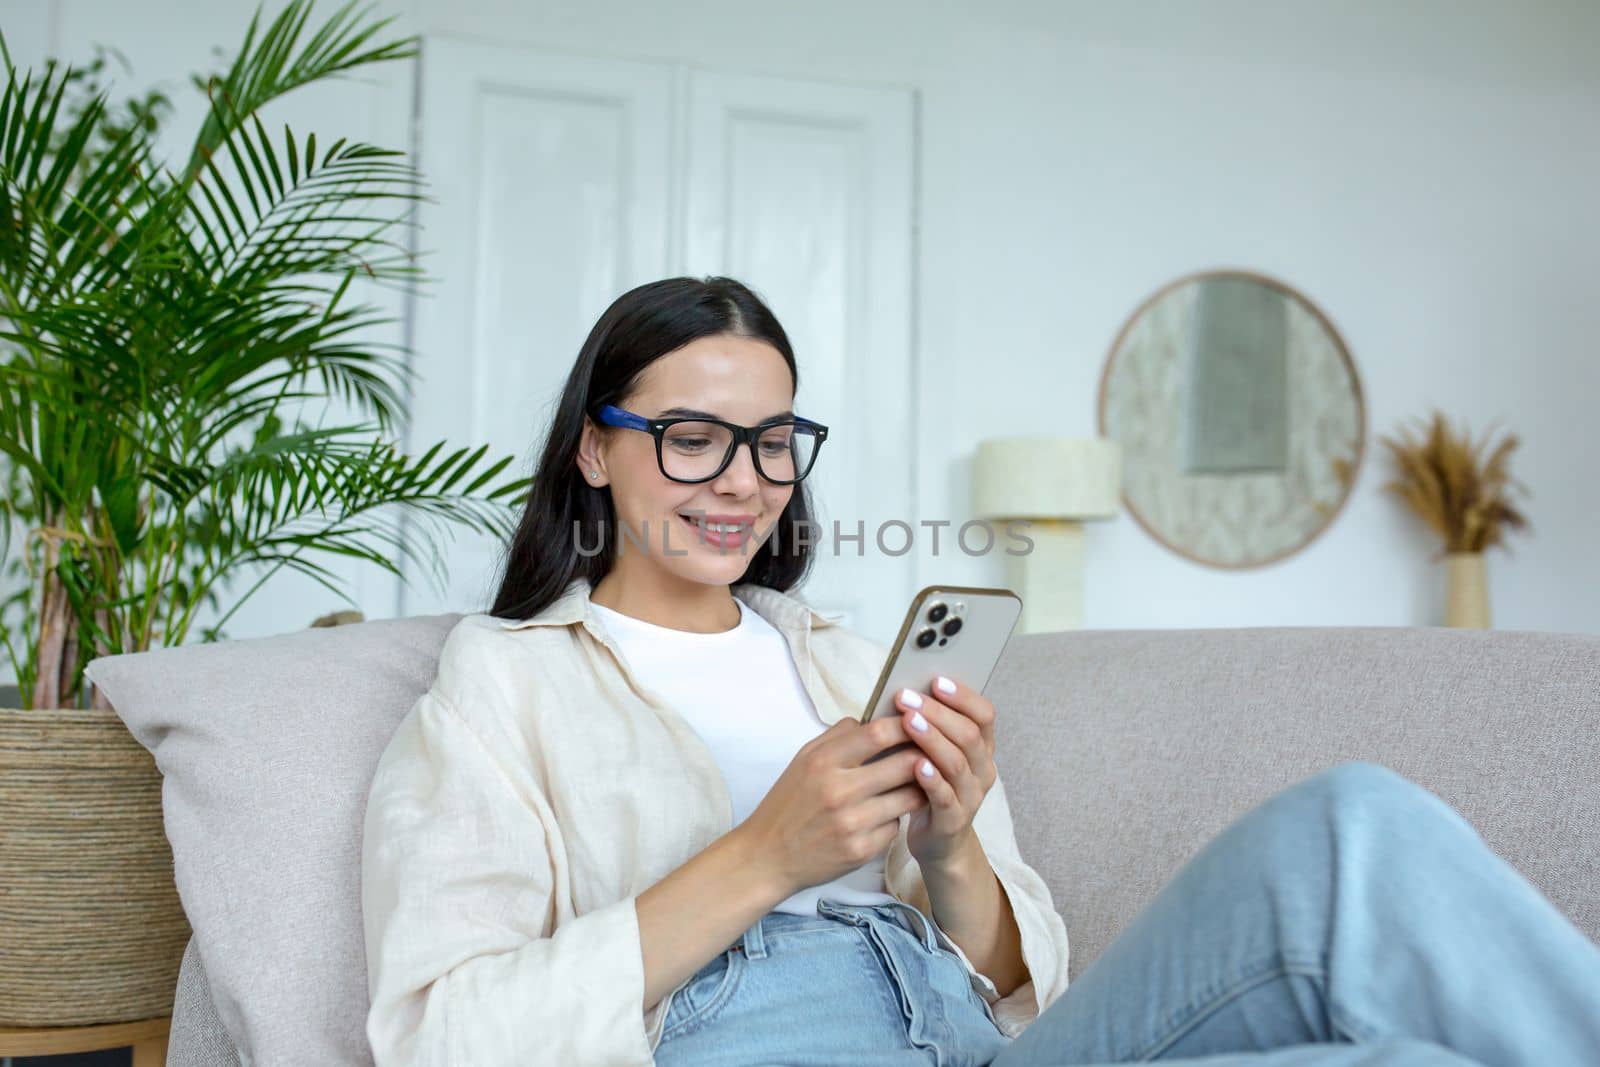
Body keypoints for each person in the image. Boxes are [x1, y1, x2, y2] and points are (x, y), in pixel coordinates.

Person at [360, 276, 1600, 1067]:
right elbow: (437, 1036)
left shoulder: (844, 658)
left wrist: (953, 846)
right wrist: (763, 855)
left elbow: (1026, 982)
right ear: (593, 448)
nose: (740, 480)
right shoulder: (501, 683)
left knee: (1355, 831)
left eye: (773, 443)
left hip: (973, 1045)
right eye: (691, 440)